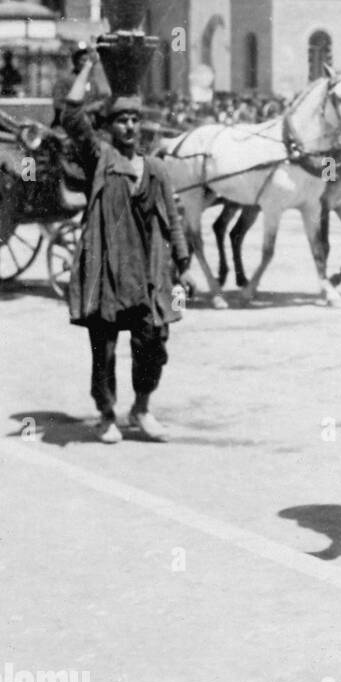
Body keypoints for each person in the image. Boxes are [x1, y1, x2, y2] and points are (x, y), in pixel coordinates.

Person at [62, 50, 192, 444]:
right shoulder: (101, 157)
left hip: (148, 275)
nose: (130, 127)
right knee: (103, 352)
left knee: (153, 345)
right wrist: (86, 66)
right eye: (122, 120)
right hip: (106, 271)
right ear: (110, 126)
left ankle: (141, 407)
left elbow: (173, 219)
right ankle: (105, 414)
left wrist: (184, 266)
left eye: (135, 120)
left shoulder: (155, 168)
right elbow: (71, 117)